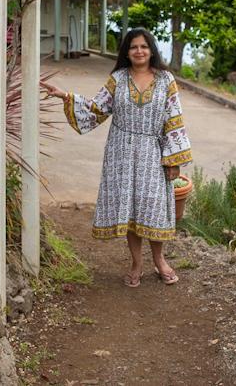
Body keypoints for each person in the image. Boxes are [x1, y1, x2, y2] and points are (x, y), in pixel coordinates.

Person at [40, 28, 193, 287]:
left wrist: (173, 159)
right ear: (127, 51)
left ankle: (160, 260)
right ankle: (136, 263)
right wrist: (66, 96)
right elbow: (97, 108)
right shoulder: (118, 79)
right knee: (131, 208)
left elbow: (174, 120)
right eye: (133, 47)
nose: (139, 51)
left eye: (144, 46)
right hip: (120, 151)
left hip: (153, 151)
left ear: (151, 49)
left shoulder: (166, 80)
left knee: (153, 206)